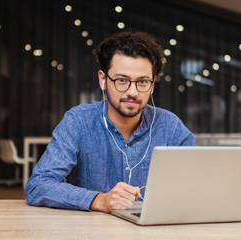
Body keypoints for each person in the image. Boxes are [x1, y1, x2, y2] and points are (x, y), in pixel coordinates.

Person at [25, 32, 195, 213]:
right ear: (103, 80)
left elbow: (199, 183)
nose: (133, 92)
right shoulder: (79, 122)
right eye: (122, 80)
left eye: (142, 82)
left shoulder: (170, 126)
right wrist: (99, 200)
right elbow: (38, 186)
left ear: (152, 85)